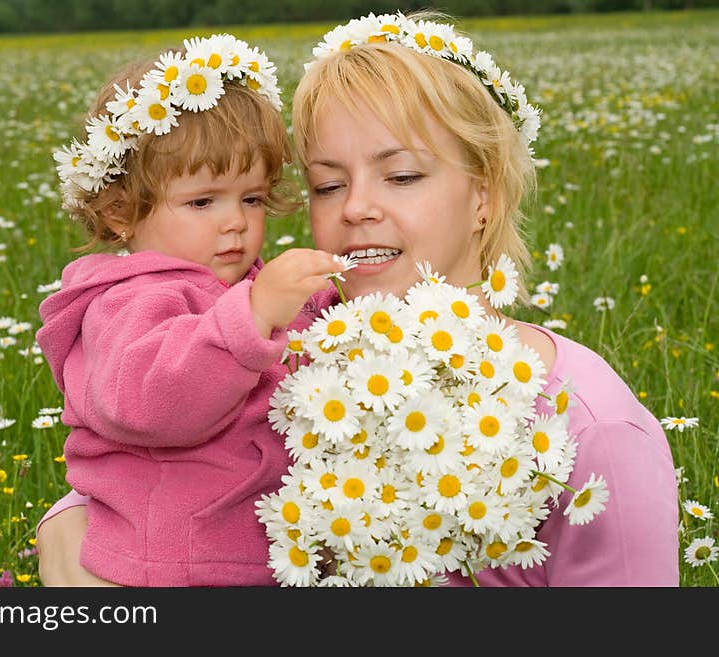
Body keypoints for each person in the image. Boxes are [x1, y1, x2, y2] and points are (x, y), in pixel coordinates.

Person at [36, 12, 679, 587]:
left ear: (484, 194)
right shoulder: (313, 356)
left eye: (402, 177)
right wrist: (67, 528)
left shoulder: (590, 429)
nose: (357, 208)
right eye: (326, 185)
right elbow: (159, 455)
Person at [36, 33, 344, 586]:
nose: (235, 222)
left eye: (251, 198)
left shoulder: (238, 284)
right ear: (119, 212)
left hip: (253, 550)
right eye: (202, 201)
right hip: (169, 566)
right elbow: (154, 401)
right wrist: (254, 315)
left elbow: (304, 334)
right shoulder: (131, 300)